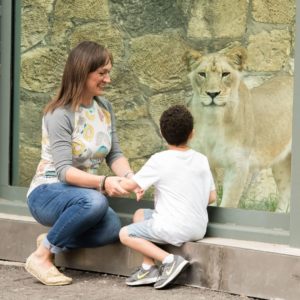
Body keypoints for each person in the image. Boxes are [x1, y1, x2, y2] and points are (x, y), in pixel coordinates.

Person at [25, 41, 138, 286]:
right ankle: (42, 257)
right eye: (102, 73)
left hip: (83, 196)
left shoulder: (104, 108)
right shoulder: (60, 114)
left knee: (111, 227)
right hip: (47, 193)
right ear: (82, 73)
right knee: (96, 200)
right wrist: (105, 182)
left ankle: (50, 240)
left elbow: (114, 154)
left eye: (108, 72)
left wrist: (131, 178)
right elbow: (64, 172)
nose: (108, 79)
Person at [116, 105, 217, 289]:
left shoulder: (160, 160)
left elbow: (130, 185)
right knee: (140, 215)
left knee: (125, 233)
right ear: (192, 133)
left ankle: (170, 261)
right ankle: (148, 268)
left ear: (162, 134)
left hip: (172, 228)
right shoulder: (202, 159)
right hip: (198, 228)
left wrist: (108, 184)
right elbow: (211, 197)